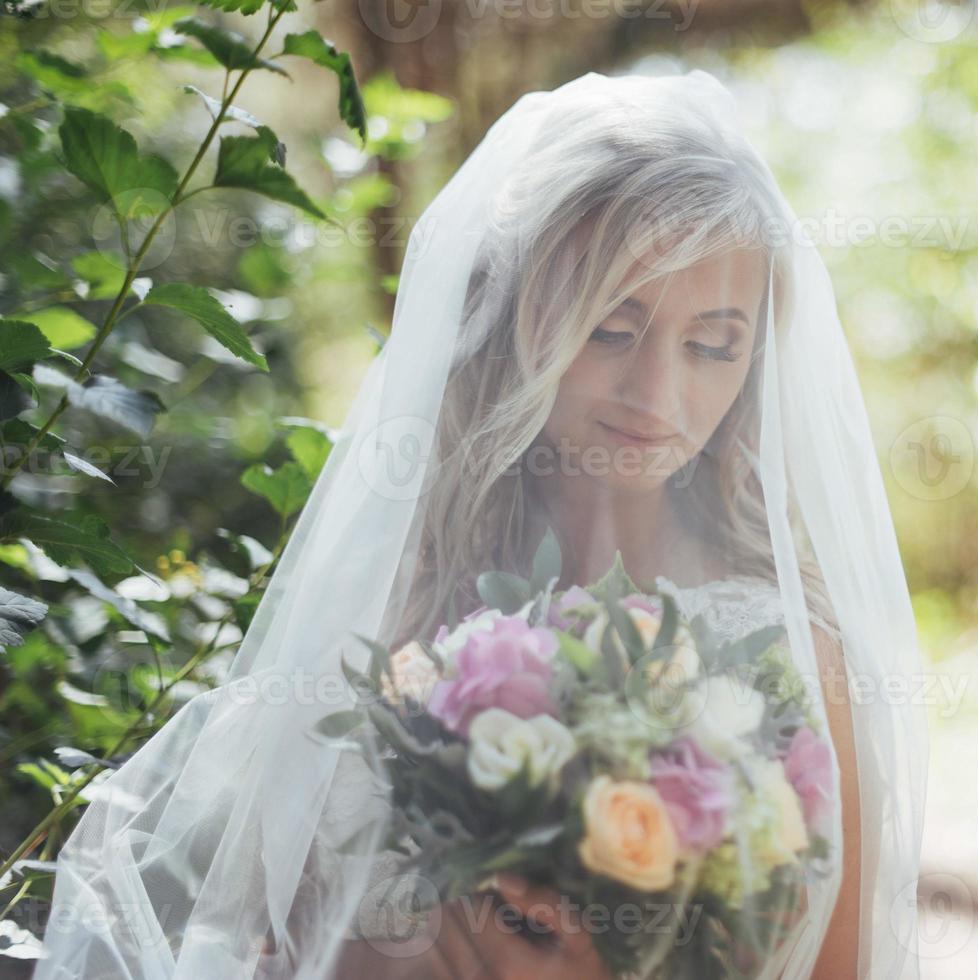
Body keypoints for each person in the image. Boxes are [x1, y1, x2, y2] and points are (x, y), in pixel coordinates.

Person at [34, 69, 927, 980]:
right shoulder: (382, 610)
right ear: (505, 322)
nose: (659, 396)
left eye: (711, 346)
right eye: (610, 331)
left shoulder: (787, 657)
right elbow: (259, 941)